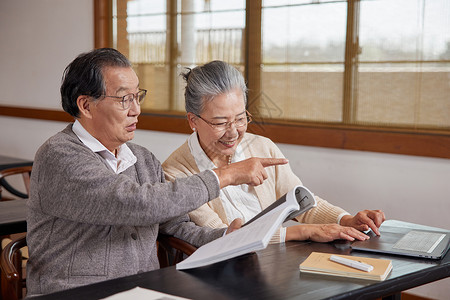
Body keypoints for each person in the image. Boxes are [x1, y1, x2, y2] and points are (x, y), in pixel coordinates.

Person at [26, 49, 287, 296]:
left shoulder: (143, 159)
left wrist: (224, 237)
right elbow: (132, 203)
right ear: (85, 105)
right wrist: (225, 175)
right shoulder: (58, 155)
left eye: (137, 96)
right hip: (75, 294)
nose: (136, 109)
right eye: (123, 99)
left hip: (143, 291)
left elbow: (175, 226)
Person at [162, 60, 386, 244]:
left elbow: (301, 202)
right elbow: (225, 237)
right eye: (220, 123)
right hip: (222, 271)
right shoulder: (175, 172)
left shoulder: (261, 146)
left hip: (275, 261)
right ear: (193, 120)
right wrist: (304, 232)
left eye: (240, 119)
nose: (233, 133)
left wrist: (346, 219)